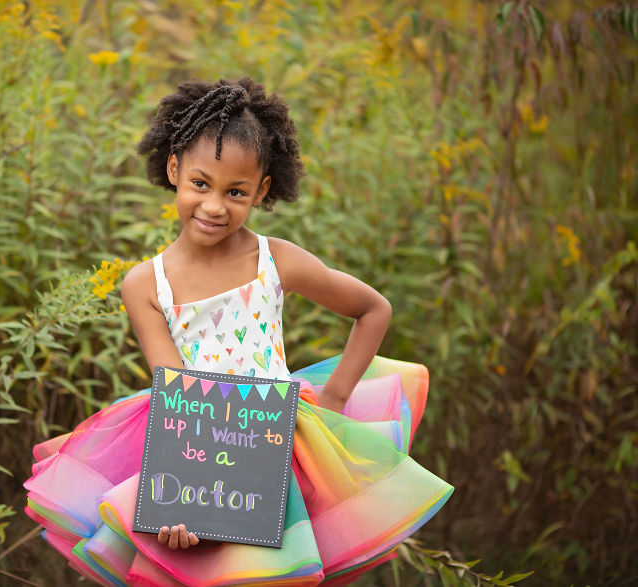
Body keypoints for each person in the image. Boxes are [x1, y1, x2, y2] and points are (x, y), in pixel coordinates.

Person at [24, 78, 453, 586]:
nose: (214, 206)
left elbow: (372, 309)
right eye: (200, 184)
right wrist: (184, 499)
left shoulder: (276, 261)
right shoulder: (145, 284)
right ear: (174, 168)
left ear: (262, 191)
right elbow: (177, 395)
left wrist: (335, 397)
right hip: (196, 451)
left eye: (236, 193)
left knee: (272, 575)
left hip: (279, 445)